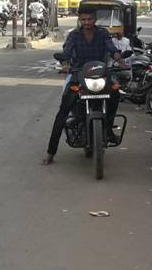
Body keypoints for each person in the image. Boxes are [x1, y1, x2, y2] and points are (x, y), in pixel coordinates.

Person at [42, 9, 124, 165]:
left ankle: (108, 129)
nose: (87, 22)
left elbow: (112, 49)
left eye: (90, 19)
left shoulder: (103, 33)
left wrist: (121, 61)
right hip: (78, 74)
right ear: (80, 20)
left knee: (115, 94)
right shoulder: (74, 35)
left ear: (95, 20)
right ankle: (51, 153)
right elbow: (66, 53)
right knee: (63, 112)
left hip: (101, 74)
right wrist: (65, 64)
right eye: (84, 19)